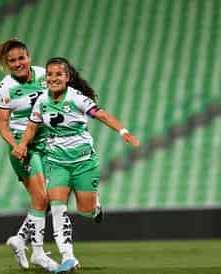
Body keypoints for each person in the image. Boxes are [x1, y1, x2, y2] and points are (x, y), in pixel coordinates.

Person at [12, 57, 140, 273]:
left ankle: (95, 207)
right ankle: (68, 257)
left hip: (83, 162)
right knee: (58, 208)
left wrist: (123, 131)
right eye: (50, 74)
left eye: (58, 74)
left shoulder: (76, 98)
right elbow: (32, 127)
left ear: (67, 78)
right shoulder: (41, 101)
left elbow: (101, 114)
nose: (53, 78)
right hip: (55, 162)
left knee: (85, 210)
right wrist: (22, 144)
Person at [0, 38, 58, 272]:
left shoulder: (43, 75)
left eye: (21, 58)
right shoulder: (5, 88)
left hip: (48, 144)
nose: (18, 63)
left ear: (29, 57)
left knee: (50, 199)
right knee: (41, 198)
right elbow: (2, 124)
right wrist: (16, 145)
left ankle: (20, 240)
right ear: (7, 64)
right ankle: (38, 253)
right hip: (24, 149)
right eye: (12, 61)